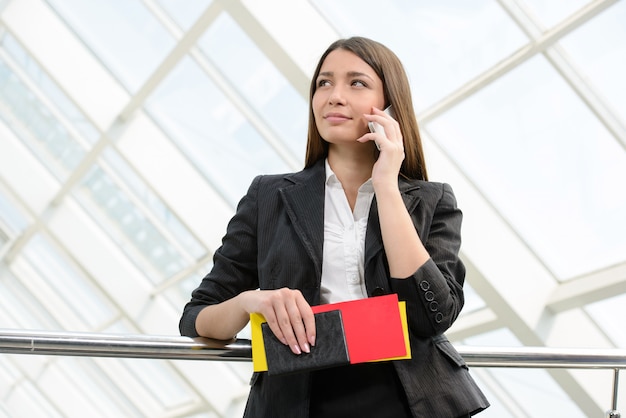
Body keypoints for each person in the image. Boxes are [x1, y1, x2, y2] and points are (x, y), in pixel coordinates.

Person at [179, 36, 489, 417]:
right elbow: (197, 318)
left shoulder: (431, 200)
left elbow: (433, 316)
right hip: (297, 400)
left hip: (407, 400)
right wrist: (251, 301)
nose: (334, 95)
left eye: (356, 83)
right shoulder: (269, 195)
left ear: (390, 106)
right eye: (324, 83)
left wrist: (387, 187)